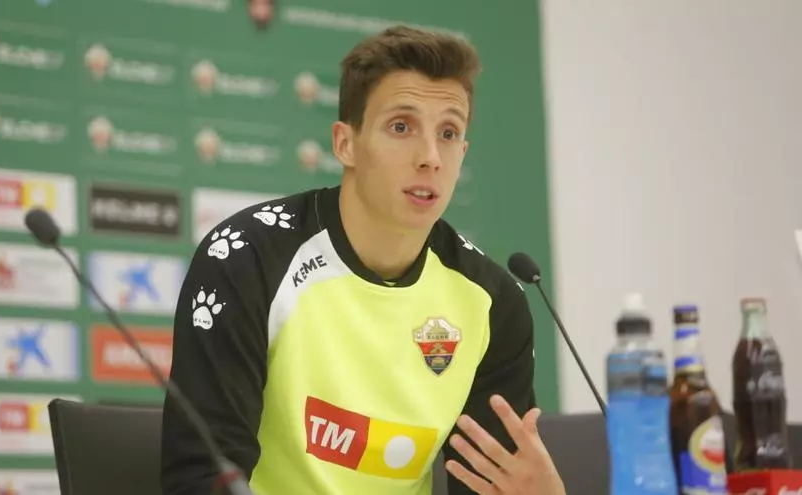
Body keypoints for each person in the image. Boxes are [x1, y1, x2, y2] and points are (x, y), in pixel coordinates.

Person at [161, 25, 567, 495]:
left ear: (462, 153)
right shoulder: (247, 259)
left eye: (449, 133)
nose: (430, 157)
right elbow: (201, 479)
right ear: (345, 143)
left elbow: (488, 487)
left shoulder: (493, 303)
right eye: (401, 127)